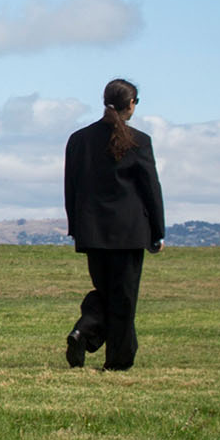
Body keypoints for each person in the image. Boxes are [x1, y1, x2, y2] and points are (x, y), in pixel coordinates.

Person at [62, 78, 163, 369]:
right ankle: (117, 361)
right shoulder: (140, 141)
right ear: (131, 104)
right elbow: (150, 190)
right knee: (124, 298)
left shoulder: (79, 140)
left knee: (106, 292)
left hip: (93, 232)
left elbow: (72, 187)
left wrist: (76, 228)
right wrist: (158, 231)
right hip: (131, 232)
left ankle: (85, 329)